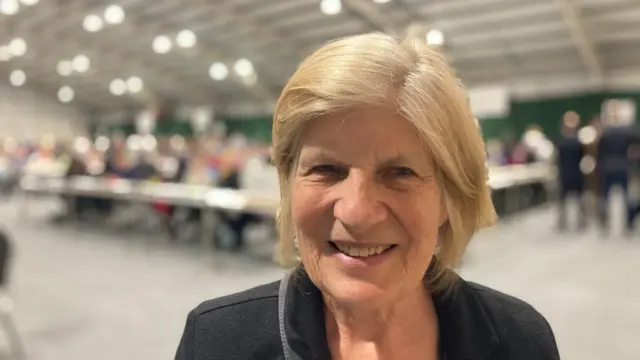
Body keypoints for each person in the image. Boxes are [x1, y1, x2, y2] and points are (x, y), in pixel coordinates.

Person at [175, 33, 560, 360]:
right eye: (326, 170)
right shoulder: (215, 343)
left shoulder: (520, 341)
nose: (357, 212)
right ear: (289, 184)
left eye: (400, 173)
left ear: (449, 196)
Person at [555, 111, 586, 231]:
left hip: (574, 172)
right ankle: (562, 222)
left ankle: (580, 220)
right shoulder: (573, 141)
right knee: (563, 200)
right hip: (566, 172)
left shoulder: (576, 140)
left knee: (579, 199)